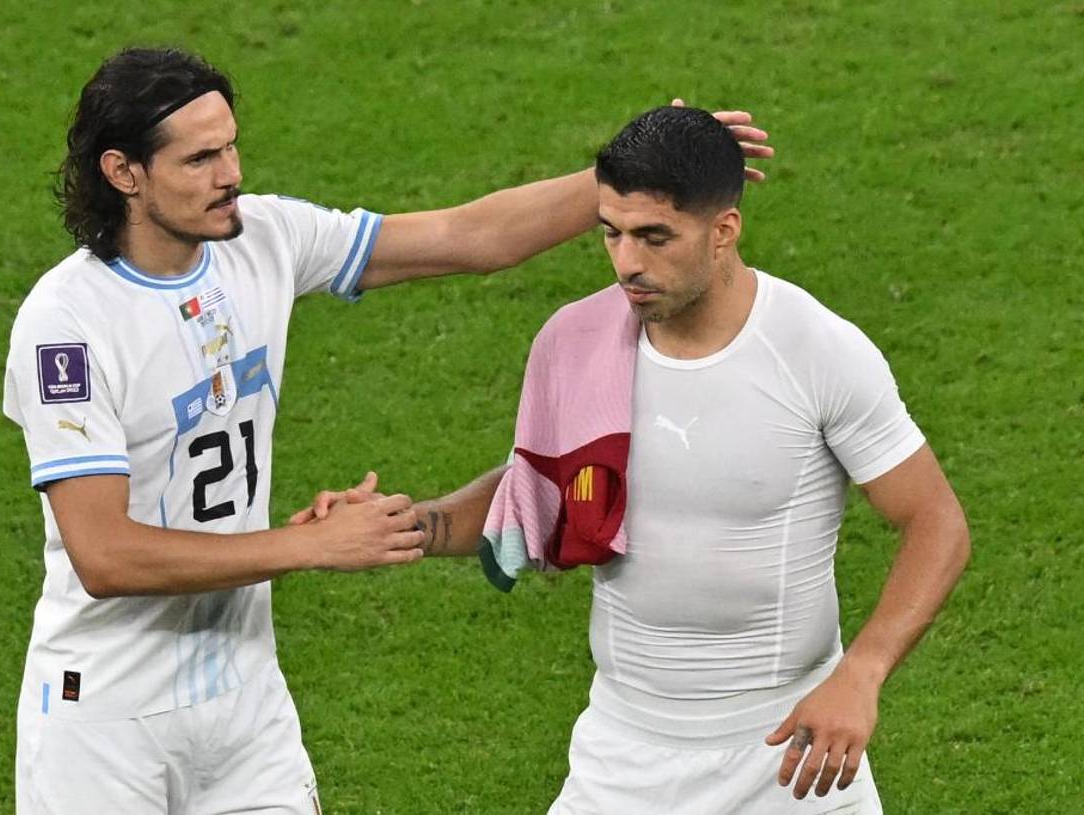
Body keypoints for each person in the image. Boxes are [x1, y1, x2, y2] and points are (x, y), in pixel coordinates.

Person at [1, 47, 770, 814]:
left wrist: (631, 179)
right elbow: (103, 553)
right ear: (124, 172)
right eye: (199, 158)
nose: (230, 172)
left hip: (241, 705)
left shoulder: (261, 238)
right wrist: (309, 546)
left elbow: (469, 238)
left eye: (231, 144)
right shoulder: (67, 325)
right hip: (102, 723)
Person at [297, 106, 969, 813]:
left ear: (724, 232)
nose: (627, 263)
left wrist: (862, 672)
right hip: (622, 757)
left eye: (655, 237)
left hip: (786, 756)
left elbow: (936, 521)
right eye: (611, 233)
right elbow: (542, 490)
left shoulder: (814, 350)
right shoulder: (576, 340)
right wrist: (411, 522)